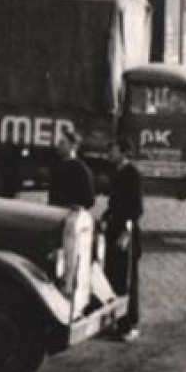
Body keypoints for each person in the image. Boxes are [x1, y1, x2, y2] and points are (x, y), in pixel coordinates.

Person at [102, 137, 144, 341]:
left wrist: (126, 233)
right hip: (113, 231)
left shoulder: (132, 175)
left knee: (127, 280)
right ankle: (116, 320)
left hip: (124, 235)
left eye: (114, 150)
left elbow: (136, 209)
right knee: (113, 277)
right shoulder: (116, 173)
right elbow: (114, 204)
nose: (110, 153)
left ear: (124, 153)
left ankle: (129, 324)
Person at [47, 133, 96, 210]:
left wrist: (75, 207)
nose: (59, 146)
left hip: (70, 215)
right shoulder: (56, 167)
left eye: (62, 143)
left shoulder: (81, 169)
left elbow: (89, 200)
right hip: (54, 213)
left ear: (73, 146)